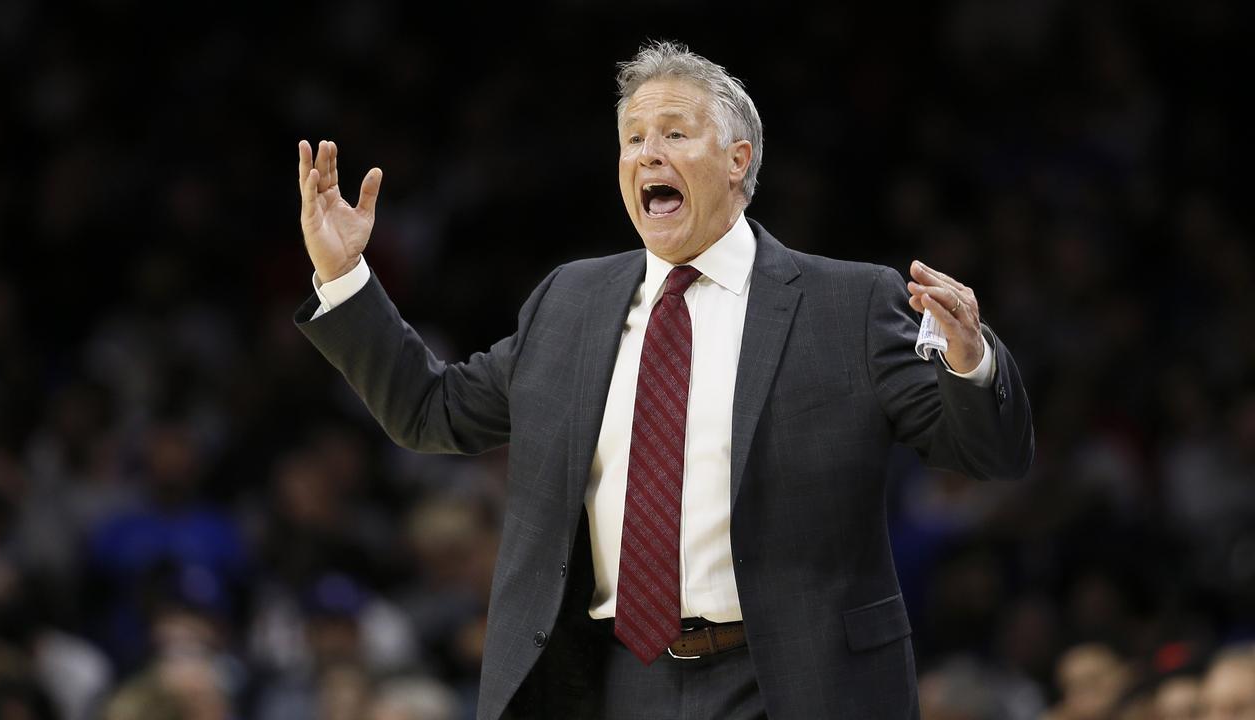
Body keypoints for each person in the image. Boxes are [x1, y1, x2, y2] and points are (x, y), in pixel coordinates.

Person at [293, 41, 1033, 720]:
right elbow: (432, 410)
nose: (649, 154)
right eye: (633, 139)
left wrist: (971, 359)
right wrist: (344, 275)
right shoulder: (570, 303)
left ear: (738, 160)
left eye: (675, 134)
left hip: (793, 682)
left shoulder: (848, 303)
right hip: (616, 679)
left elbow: (988, 453)